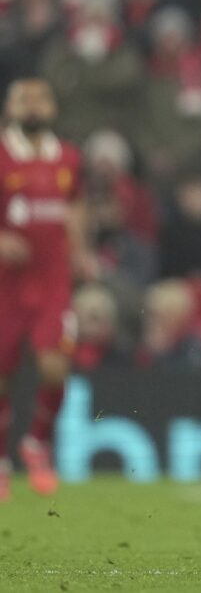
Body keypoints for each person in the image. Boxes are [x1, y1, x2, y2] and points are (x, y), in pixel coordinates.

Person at [0, 78, 89, 501]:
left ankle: (36, 442)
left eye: (40, 99)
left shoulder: (68, 157)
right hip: (7, 286)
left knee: (55, 367)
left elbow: (75, 204)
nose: (33, 107)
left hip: (53, 281)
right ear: (10, 107)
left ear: (52, 107)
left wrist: (80, 245)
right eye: (24, 99)